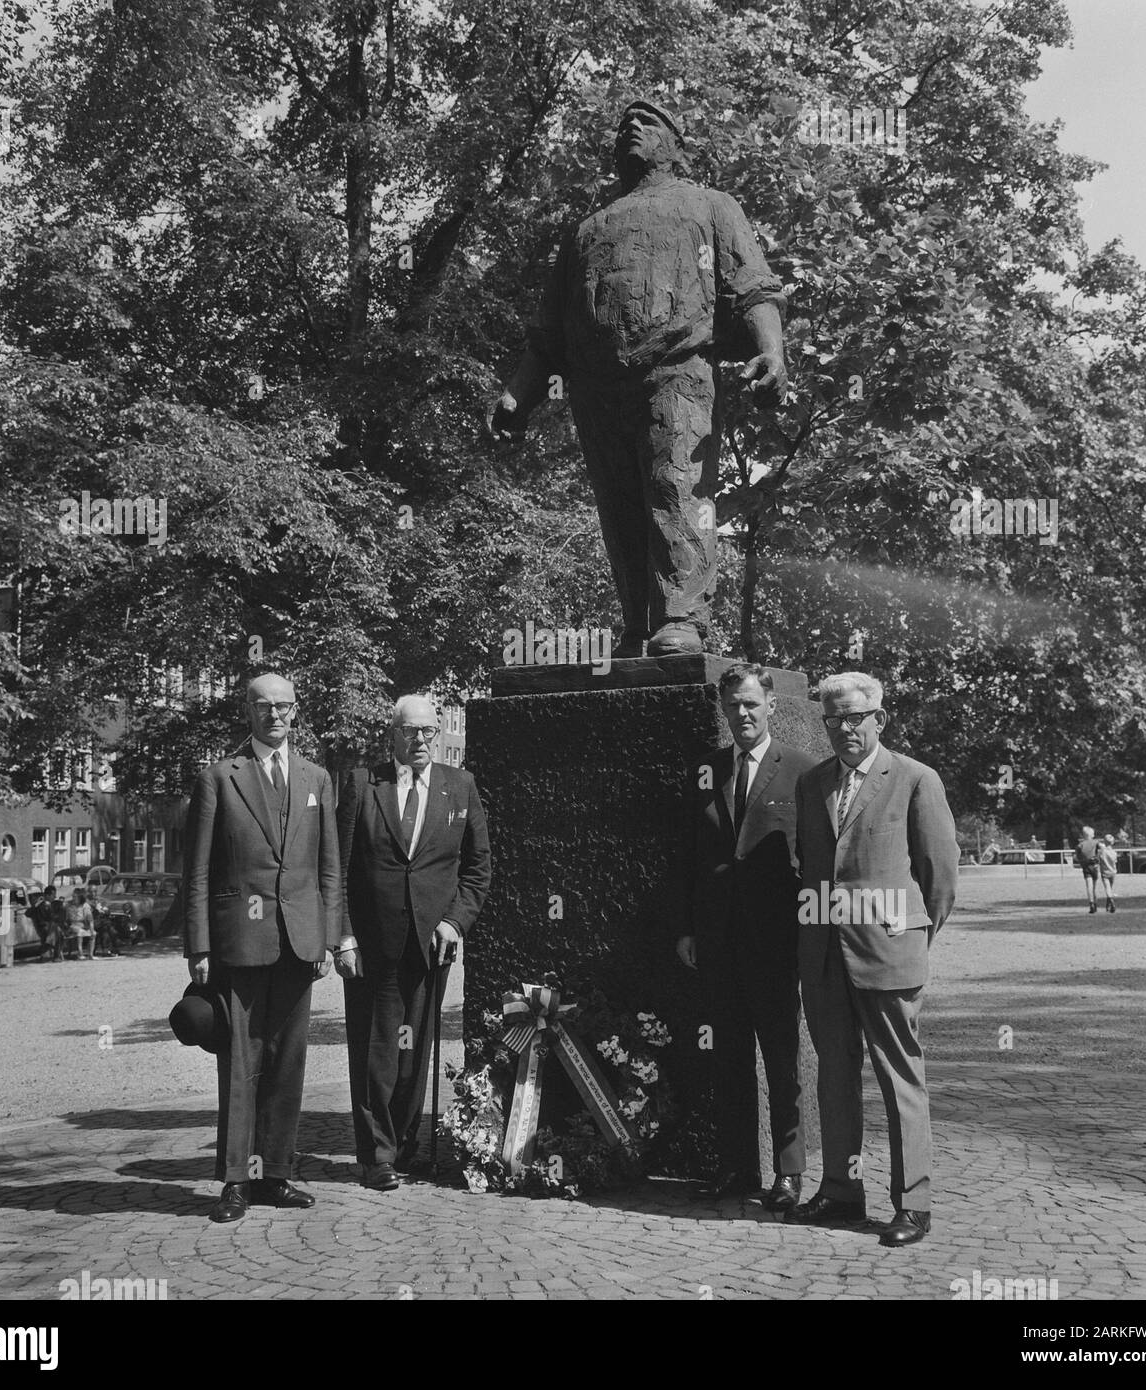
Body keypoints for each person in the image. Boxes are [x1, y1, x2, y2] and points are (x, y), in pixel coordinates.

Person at [490, 99, 788, 658]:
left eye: (649, 121)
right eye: (625, 121)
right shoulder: (584, 230)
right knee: (620, 504)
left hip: (677, 370)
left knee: (676, 487)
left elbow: (752, 286)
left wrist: (772, 350)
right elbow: (549, 333)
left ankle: (682, 617)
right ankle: (636, 624)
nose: (632, 126)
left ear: (676, 146)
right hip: (595, 385)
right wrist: (517, 395)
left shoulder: (711, 205)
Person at [793, 672, 959, 1248]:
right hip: (824, 956)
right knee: (835, 1077)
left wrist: (910, 937)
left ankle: (913, 1205)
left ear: (879, 719)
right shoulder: (812, 783)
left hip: (889, 955)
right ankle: (841, 1190)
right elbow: (809, 865)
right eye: (833, 718)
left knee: (900, 1079)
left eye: (855, 717)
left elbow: (940, 880)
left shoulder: (916, 779)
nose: (843, 728)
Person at [183, 673, 343, 1223]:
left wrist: (326, 936)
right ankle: (234, 1181)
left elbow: (329, 869)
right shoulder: (219, 778)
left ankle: (274, 1175)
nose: (275, 715)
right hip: (239, 943)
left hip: (300, 943)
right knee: (241, 1064)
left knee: (288, 1064)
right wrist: (198, 946)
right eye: (263, 706)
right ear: (247, 712)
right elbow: (198, 870)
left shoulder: (317, 777)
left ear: (296, 712)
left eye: (283, 707)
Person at [338, 694, 492, 1191]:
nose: (421, 740)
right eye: (410, 732)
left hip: (432, 943)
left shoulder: (460, 786)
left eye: (429, 732)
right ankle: (375, 1155)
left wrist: (454, 922)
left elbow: (477, 869)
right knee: (375, 1049)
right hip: (371, 944)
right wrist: (342, 936)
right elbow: (336, 870)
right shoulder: (363, 784)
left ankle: (404, 1145)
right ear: (394, 734)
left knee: (414, 1046)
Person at [676, 663, 815, 1211]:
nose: (743, 714)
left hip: (776, 945)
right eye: (733, 705)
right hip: (717, 943)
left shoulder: (803, 772)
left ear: (772, 706)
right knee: (727, 1057)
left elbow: (815, 862)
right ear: (723, 709)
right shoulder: (705, 773)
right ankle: (735, 1166)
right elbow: (686, 858)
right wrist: (686, 928)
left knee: (782, 1062)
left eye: (752, 704)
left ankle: (789, 1171)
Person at [25, 888, 59, 961]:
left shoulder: (45, 904)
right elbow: (27, 913)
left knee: (57, 930)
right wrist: (36, 904)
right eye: (53, 895)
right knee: (58, 932)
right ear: (47, 895)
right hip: (45, 928)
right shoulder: (43, 905)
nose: (55, 897)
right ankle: (54, 956)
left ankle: (48, 953)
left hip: (45, 928)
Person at [63, 888, 96, 960]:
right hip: (72, 925)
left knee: (93, 933)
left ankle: (91, 955)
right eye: (73, 896)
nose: (73, 898)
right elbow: (65, 918)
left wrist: (91, 930)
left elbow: (90, 920)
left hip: (83, 925)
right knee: (79, 932)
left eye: (75, 897)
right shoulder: (68, 905)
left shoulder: (85, 906)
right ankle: (80, 953)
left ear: (80, 897)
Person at [1074, 825, 1101, 913]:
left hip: (1086, 867)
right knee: (1094, 886)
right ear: (1092, 835)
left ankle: (1091, 904)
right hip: (1094, 866)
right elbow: (1102, 848)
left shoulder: (1080, 845)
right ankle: (1095, 903)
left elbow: (1077, 855)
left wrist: (1082, 861)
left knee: (1089, 886)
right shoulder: (1096, 842)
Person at [1098, 834, 1119, 912]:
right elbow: (1115, 862)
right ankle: (1108, 905)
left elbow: (1099, 859)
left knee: (1107, 888)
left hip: (1105, 873)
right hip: (1113, 872)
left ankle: (1111, 902)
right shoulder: (1114, 852)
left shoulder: (1102, 852)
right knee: (1110, 888)